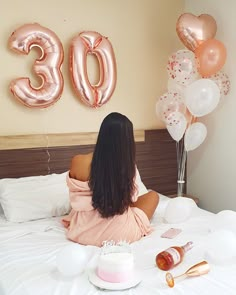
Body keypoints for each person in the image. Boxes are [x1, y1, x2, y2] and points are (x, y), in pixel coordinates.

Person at [62, 112, 159, 246]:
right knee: (153, 196)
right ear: (128, 140)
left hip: (83, 233)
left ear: (102, 135)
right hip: (121, 234)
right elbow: (131, 199)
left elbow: (77, 197)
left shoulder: (78, 161)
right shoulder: (128, 166)